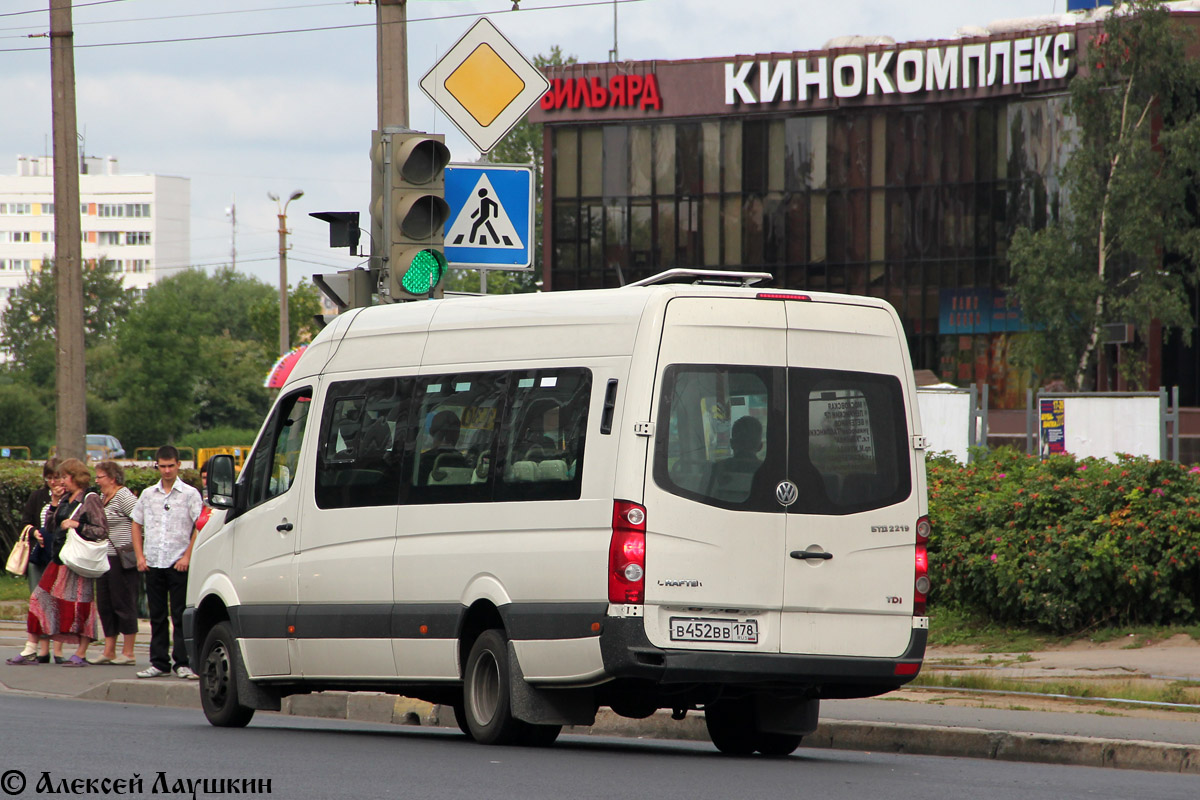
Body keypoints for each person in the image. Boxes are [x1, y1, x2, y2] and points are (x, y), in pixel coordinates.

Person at [6, 458, 108, 667]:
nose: (61, 481)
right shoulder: (66, 498)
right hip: (60, 558)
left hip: (78, 561)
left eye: (64, 477)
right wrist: (55, 504)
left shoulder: (90, 498)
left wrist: (77, 525)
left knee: (81, 607)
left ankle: (80, 653)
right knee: (39, 598)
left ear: (75, 477)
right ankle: (31, 648)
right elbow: (52, 526)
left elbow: (101, 530)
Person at [131, 445, 202, 679]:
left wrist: (187, 556)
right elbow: (136, 523)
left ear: (178, 465)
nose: (167, 470)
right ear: (157, 466)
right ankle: (159, 661)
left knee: (180, 614)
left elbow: (199, 526)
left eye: (171, 466)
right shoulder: (148, 494)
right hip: (153, 561)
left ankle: (182, 661)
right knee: (157, 615)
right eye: (163, 466)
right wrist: (140, 556)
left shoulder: (190, 494)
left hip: (177, 561)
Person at [87, 461, 140, 666]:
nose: (97, 480)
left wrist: (135, 548)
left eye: (100, 476)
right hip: (104, 558)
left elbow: (141, 521)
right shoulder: (101, 498)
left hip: (122, 559)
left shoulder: (124, 496)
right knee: (106, 604)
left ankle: (128, 652)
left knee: (124, 602)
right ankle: (109, 650)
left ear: (112, 478)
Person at [706, 415, 764, 502]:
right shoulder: (766, 471)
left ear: (732, 443)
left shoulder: (717, 469)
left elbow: (707, 499)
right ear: (760, 446)